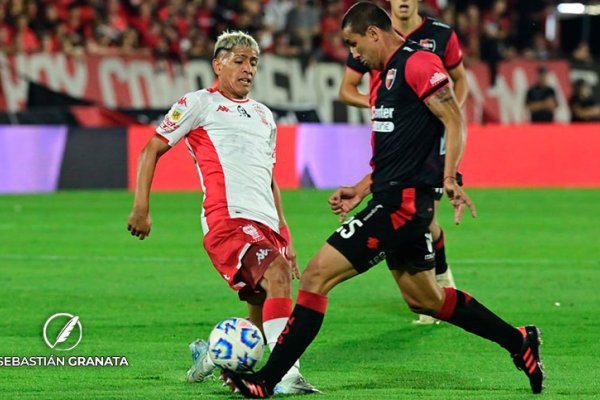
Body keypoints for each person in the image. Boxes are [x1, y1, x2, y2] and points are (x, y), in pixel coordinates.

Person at [221, 3, 545, 397]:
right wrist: (361, 187)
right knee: (424, 298)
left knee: (315, 276)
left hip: (403, 204)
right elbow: (397, 151)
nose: (353, 55)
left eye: (354, 44)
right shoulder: (382, 77)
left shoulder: (419, 64)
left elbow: (454, 119)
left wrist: (449, 176)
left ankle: (266, 380)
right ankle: (519, 340)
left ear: (374, 33)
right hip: (392, 197)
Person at [126, 30, 318, 395]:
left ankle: (210, 358)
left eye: (254, 63)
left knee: (257, 326)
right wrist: (141, 207)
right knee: (278, 275)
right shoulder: (199, 103)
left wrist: (285, 236)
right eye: (240, 60)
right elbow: (150, 149)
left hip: (264, 224)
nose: (248, 69)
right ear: (218, 64)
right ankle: (287, 376)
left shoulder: (264, 115)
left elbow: (270, 178)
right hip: (227, 219)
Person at [339, 0, 468, 325]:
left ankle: (440, 283)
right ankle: (436, 288)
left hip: (428, 146)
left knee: (424, 217)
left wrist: (439, 113)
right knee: (421, 221)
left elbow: (458, 84)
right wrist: (385, 105)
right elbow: (346, 90)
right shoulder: (374, 39)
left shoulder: (440, 35)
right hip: (395, 149)